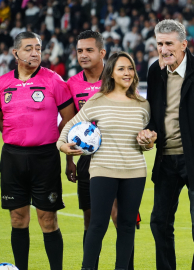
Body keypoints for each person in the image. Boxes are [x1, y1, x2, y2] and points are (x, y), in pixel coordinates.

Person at [137, 19, 194, 270]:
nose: (163, 49)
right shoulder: (155, 71)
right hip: (166, 159)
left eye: (169, 43)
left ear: (184, 45)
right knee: (159, 222)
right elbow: (157, 116)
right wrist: (151, 133)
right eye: (159, 43)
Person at [58, 51, 151, 270]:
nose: (127, 72)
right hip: (102, 170)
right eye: (121, 68)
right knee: (98, 225)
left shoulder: (142, 104)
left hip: (135, 172)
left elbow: (146, 142)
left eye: (130, 68)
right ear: (111, 73)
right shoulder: (97, 101)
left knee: (128, 226)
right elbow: (69, 127)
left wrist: (148, 142)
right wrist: (63, 146)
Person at [0, 31, 75, 270]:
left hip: (45, 157)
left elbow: (69, 120)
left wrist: (57, 145)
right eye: (29, 48)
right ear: (15, 53)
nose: (35, 52)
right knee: (18, 219)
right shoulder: (2, 83)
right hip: (12, 158)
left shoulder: (54, 80)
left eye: (38, 48)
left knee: (47, 219)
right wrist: (19, 135)